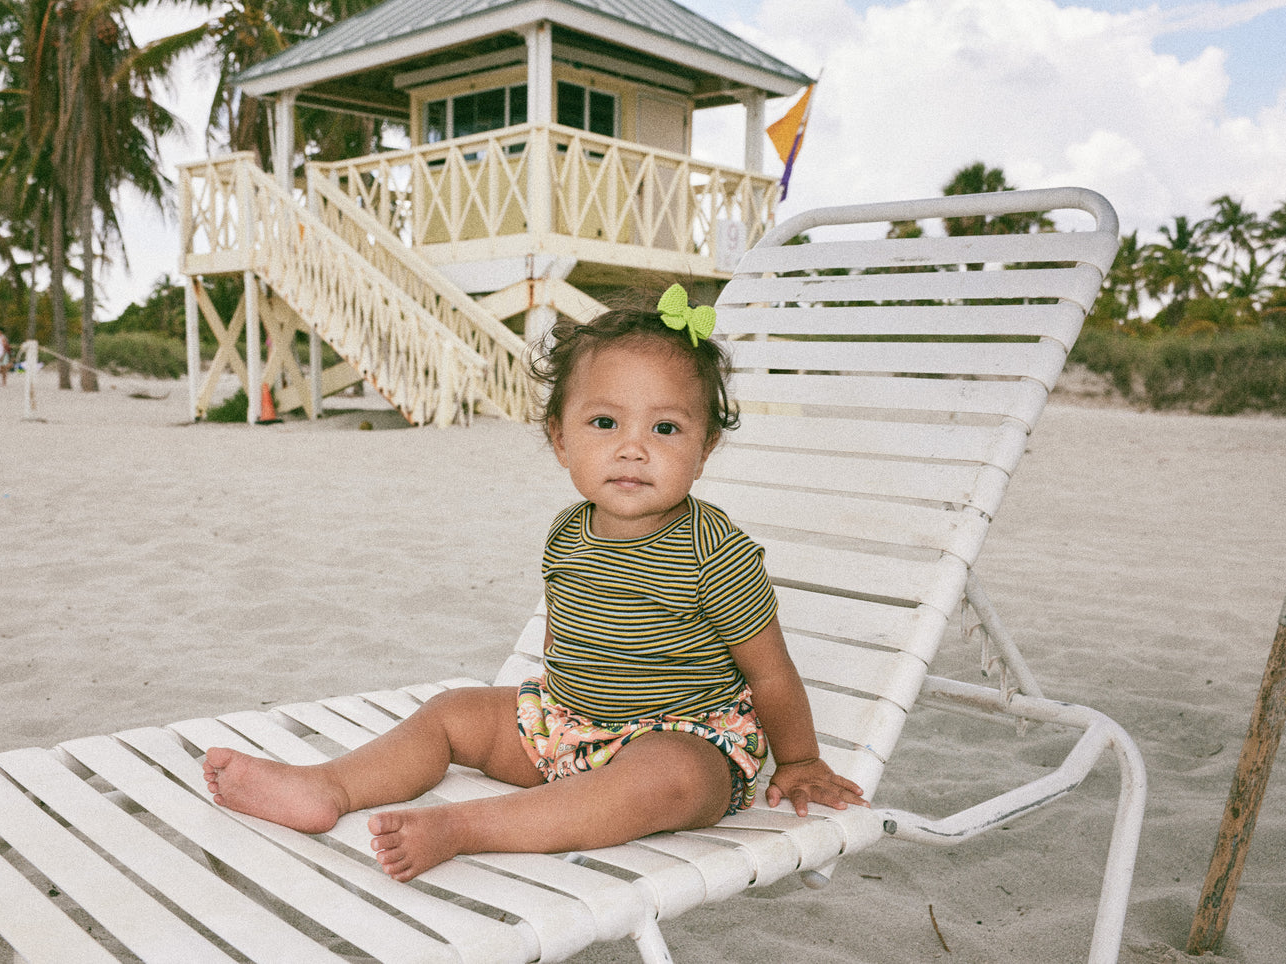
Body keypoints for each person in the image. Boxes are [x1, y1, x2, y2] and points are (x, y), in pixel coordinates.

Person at [203, 284, 867, 883]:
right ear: (559, 438)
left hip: (683, 736)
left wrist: (801, 759)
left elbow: (771, 673)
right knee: (454, 713)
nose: (632, 448)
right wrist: (545, 714)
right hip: (566, 726)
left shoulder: (714, 551)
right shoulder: (568, 532)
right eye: (604, 423)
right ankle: (327, 786)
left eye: (665, 428)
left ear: (704, 448)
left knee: (667, 778)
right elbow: (567, 627)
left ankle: (467, 828)